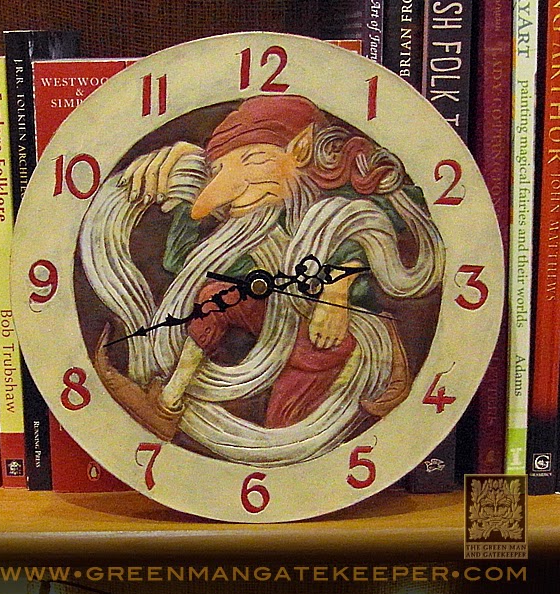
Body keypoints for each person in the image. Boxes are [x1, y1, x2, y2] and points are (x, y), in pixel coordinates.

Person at [87, 95, 445, 460]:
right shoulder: (252, 225)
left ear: (300, 150)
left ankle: (384, 363)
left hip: (329, 338)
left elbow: (386, 217)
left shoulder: (338, 198)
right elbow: (180, 260)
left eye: (256, 160)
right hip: (278, 318)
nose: (235, 185)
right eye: (221, 171)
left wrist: (336, 292)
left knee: (284, 428)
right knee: (215, 296)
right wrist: (188, 183)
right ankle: (167, 405)